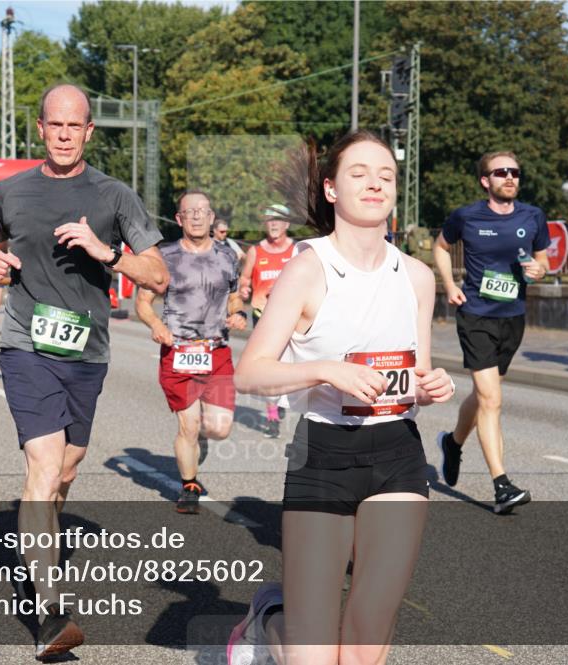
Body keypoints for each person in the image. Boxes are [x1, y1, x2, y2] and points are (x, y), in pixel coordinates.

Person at [229, 130, 454, 665]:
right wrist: (326, 371)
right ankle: (269, 618)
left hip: (397, 456)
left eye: (386, 175)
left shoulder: (418, 277)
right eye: (359, 173)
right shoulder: (308, 268)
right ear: (331, 189)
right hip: (324, 457)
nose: (375, 183)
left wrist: (431, 386)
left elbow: (414, 375)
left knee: (362, 649)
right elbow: (250, 373)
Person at [0, 83, 168, 660]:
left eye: (73, 125)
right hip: (25, 345)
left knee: (65, 472)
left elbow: (157, 275)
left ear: (88, 131)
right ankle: (51, 611)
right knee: (44, 463)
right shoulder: (11, 191)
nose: (63, 135)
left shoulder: (114, 195)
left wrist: (106, 252)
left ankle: (38, 542)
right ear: (40, 129)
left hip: (87, 352)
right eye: (54, 125)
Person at [432, 151, 549, 514]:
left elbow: (542, 258)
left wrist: (540, 270)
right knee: (492, 400)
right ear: (485, 181)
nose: (510, 177)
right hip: (476, 316)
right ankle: (501, 485)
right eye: (501, 172)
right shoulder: (466, 216)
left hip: (512, 317)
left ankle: (452, 443)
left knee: (485, 395)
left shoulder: (533, 215)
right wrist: (449, 284)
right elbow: (440, 247)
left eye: (515, 172)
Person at [136, 190, 246, 514]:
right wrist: (156, 324)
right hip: (178, 351)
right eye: (189, 211)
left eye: (203, 211)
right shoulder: (165, 257)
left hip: (216, 352)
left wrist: (238, 313)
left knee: (219, 428)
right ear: (179, 218)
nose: (197, 216)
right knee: (188, 425)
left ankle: (201, 437)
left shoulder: (227, 256)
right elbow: (143, 302)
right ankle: (189, 486)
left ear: (211, 217)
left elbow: (234, 296)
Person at [239, 205, 298, 437]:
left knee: (289, 365)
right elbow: (245, 279)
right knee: (268, 365)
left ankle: (281, 397)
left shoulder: (296, 251)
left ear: (287, 224)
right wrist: (244, 289)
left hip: (292, 318)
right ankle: (272, 416)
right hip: (262, 316)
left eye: (278, 219)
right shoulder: (255, 252)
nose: (273, 223)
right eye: (269, 220)